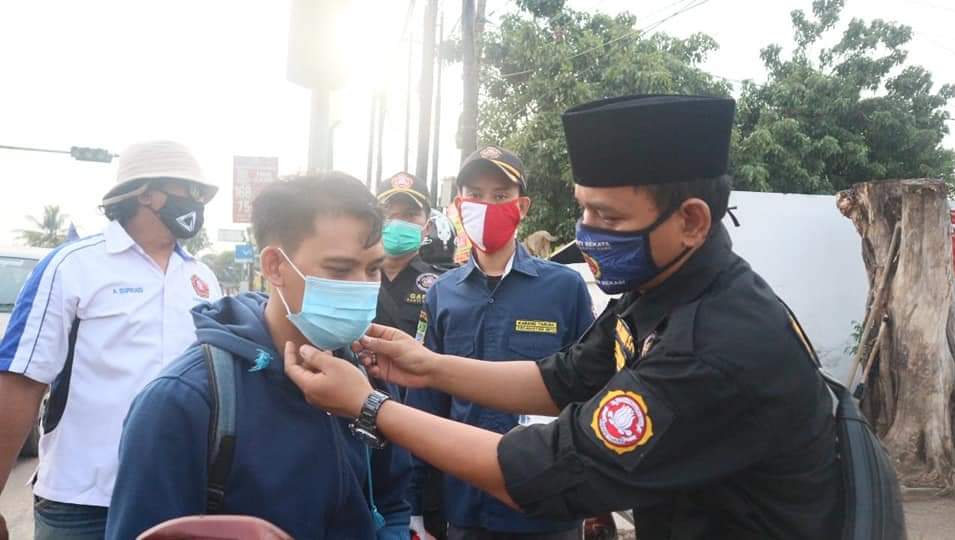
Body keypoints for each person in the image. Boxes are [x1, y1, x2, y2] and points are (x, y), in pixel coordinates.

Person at [281, 96, 857, 539]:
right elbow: (561, 377)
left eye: (606, 217)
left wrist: (369, 406)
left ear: (691, 221)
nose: (587, 235)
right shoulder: (660, 289)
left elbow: (542, 473)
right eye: (582, 209)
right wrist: (429, 368)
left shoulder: (713, 344)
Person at [105, 173, 412, 540]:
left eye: (373, 268)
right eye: (340, 269)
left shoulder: (363, 374)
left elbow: (391, 504)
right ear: (275, 267)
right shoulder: (184, 400)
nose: (364, 287)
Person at [0, 140, 222, 540]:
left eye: (202, 195)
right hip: (83, 504)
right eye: (189, 190)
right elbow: (21, 381)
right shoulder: (74, 266)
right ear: (146, 193)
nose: (198, 203)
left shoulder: (203, 279)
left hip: (179, 499)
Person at [404, 146, 594, 540]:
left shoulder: (564, 288)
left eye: (500, 195)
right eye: (474, 195)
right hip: (464, 506)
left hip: (546, 504)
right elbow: (426, 404)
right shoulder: (442, 293)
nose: (486, 205)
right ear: (459, 205)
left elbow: (590, 391)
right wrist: (419, 504)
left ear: (522, 206)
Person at [374, 172, 448, 540]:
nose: (399, 222)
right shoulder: (349, 278)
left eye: (410, 214)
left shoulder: (442, 286)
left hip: (421, 430)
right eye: (391, 211)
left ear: (427, 224)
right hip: (356, 420)